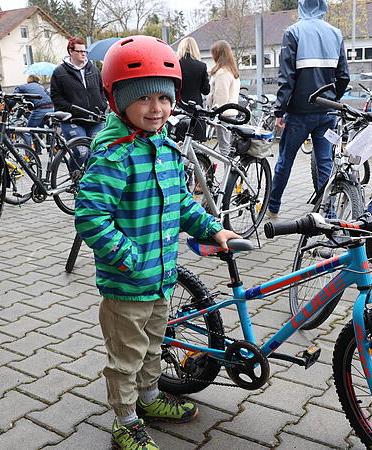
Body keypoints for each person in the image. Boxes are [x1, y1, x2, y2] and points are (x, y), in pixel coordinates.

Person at [74, 35, 240, 450]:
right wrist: (129, 258)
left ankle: (149, 399)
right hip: (128, 283)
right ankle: (125, 421)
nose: (157, 108)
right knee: (126, 357)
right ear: (119, 101)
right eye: (144, 98)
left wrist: (212, 228)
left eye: (164, 98)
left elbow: (181, 202)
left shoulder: (165, 148)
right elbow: (91, 217)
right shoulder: (114, 155)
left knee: (153, 347)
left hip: (161, 279)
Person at [268, 0, 349, 219]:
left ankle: (273, 207)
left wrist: (279, 111)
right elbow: (343, 76)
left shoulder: (293, 32)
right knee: (325, 163)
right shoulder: (335, 33)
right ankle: (328, 213)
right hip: (327, 112)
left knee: (285, 160)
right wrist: (333, 99)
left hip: (299, 113)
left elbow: (287, 77)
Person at [50, 38, 108, 143]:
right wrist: (71, 108)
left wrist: (102, 104)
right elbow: (56, 97)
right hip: (72, 120)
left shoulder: (93, 69)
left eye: (85, 51)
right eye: (79, 51)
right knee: (82, 150)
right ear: (71, 51)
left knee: (98, 149)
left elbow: (102, 90)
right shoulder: (59, 72)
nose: (83, 54)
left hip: (95, 120)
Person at [206, 40, 240, 155]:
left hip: (223, 114)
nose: (212, 56)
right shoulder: (232, 72)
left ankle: (228, 167)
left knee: (224, 148)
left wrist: (213, 113)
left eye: (213, 53)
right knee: (227, 146)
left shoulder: (222, 73)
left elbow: (221, 97)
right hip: (231, 113)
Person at [176, 36, 210, 141]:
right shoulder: (201, 66)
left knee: (178, 138)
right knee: (196, 140)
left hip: (179, 105)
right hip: (195, 107)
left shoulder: (176, 65)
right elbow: (206, 90)